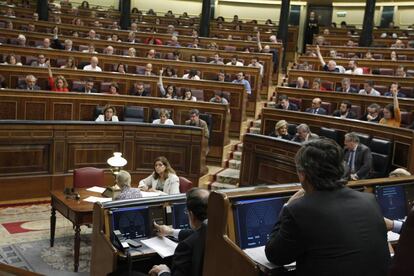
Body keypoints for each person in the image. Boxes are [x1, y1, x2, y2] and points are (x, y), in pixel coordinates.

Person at [265, 139, 390, 276]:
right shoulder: (370, 200)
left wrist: (287, 206)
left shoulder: (299, 210)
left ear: (302, 174)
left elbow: (275, 256)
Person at [149, 188, 209, 276]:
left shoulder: (186, 246)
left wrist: (163, 272)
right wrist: (171, 232)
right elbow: (196, 234)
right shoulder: (218, 232)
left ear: (191, 215)